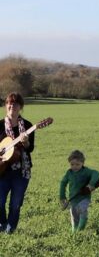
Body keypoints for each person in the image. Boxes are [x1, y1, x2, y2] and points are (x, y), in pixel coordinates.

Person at [0, 92, 35, 234]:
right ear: (5, 105)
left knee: (15, 204)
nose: (11, 106)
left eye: (15, 103)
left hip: (21, 171)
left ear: (20, 107)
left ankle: (10, 230)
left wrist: (26, 142)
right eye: (9, 103)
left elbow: (30, 148)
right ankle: (1, 225)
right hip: (1, 170)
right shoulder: (0, 125)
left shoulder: (27, 126)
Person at [59, 150, 99, 232]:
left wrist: (91, 184)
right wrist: (62, 196)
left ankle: (81, 229)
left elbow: (96, 173)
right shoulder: (69, 173)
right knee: (74, 217)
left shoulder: (86, 171)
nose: (74, 166)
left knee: (82, 210)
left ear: (82, 163)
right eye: (72, 164)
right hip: (73, 199)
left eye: (77, 164)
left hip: (84, 198)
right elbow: (63, 183)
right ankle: (75, 233)